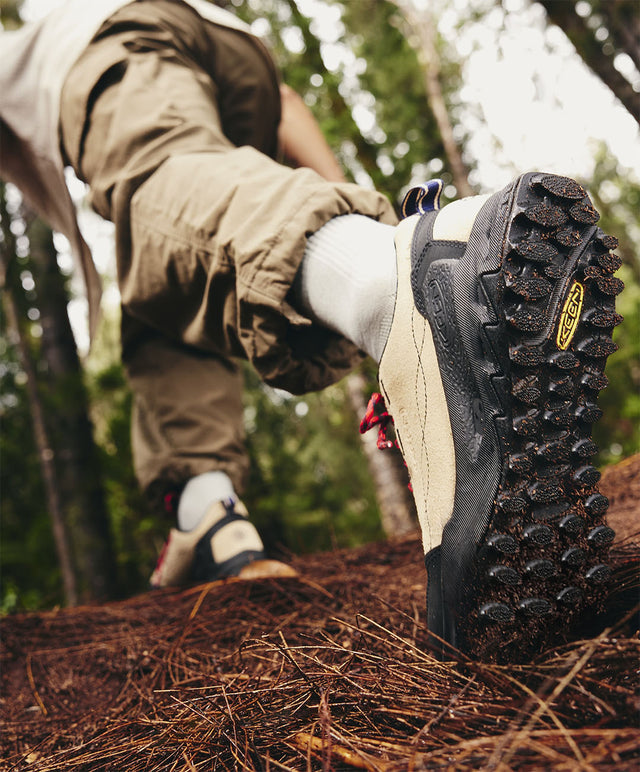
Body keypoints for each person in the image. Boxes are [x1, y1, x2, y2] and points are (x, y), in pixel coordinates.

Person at [0, 0, 623, 659]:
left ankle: (407, 286)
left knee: (158, 175)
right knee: (166, 290)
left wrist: (386, 280)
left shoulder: (27, 55)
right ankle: (207, 511)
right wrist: (376, 237)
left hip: (110, 50)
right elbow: (285, 107)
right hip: (236, 58)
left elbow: (168, 161)